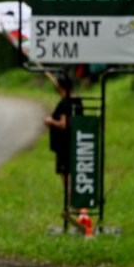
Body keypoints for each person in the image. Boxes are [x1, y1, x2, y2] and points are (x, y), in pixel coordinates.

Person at [43, 73, 83, 209]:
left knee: (66, 177)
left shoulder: (66, 103)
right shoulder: (77, 100)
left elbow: (64, 124)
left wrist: (50, 121)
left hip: (64, 146)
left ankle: (74, 206)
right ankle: (76, 205)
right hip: (74, 144)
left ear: (60, 86)